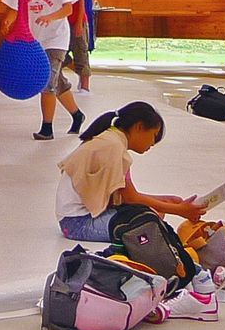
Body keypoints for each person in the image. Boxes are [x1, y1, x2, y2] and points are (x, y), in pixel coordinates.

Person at [55, 101, 208, 241]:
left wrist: (165, 201)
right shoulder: (113, 146)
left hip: (79, 218)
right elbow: (130, 198)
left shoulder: (113, 140)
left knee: (153, 212)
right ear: (139, 127)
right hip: (77, 223)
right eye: (154, 136)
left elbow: (125, 194)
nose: (153, 144)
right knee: (149, 221)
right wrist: (179, 210)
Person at [0, 0, 85, 140]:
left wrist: (50, 17)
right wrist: (7, 22)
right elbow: (14, 8)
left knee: (46, 81)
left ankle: (47, 128)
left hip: (56, 39)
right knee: (59, 82)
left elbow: (67, 8)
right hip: (34, 42)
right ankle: (77, 115)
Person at [49, 0, 91, 92]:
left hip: (76, 21)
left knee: (81, 52)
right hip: (64, 23)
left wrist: (79, 22)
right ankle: (75, 76)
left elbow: (81, 0)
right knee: (61, 54)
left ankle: (85, 85)